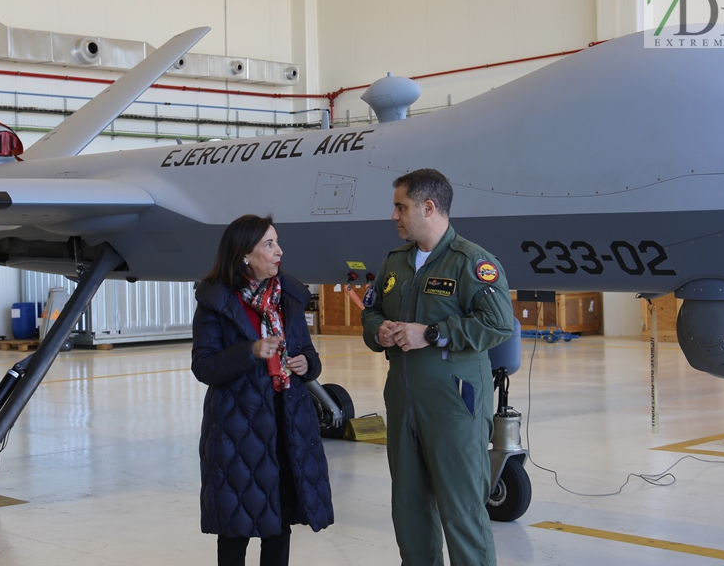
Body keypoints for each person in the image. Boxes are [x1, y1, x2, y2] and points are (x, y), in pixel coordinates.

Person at [361, 168, 514, 566]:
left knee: (462, 512)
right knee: (409, 512)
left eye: (401, 207)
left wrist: (431, 334)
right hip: (404, 402)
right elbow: (372, 310)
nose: (394, 215)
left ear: (428, 208)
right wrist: (380, 330)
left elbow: (498, 325)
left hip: (454, 406)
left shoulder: (472, 262)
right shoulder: (395, 262)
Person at [192, 214, 333, 566]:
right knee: (235, 528)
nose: (278, 251)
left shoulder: (289, 297)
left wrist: (306, 364)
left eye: (277, 242)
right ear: (243, 254)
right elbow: (204, 366)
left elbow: (308, 352)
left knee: (278, 527)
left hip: (287, 429)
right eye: (268, 244)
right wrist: (250, 352)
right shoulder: (217, 302)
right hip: (237, 432)